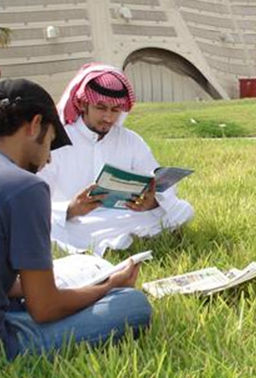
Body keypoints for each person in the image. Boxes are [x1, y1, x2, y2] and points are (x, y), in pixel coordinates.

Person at [0, 79, 152, 368]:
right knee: (132, 305)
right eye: (50, 143)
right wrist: (109, 285)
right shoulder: (25, 187)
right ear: (35, 124)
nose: (47, 159)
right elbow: (45, 308)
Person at [38, 64, 194, 255]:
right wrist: (71, 208)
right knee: (40, 224)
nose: (108, 117)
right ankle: (119, 241)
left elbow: (160, 184)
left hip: (123, 216)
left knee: (181, 210)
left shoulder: (130, 140)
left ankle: (117, 241)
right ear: (83, 104)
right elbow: (36, 199)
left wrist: (151, 202)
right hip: (73, 221)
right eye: (100, 108)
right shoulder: (58, 140)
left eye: (115, 110)